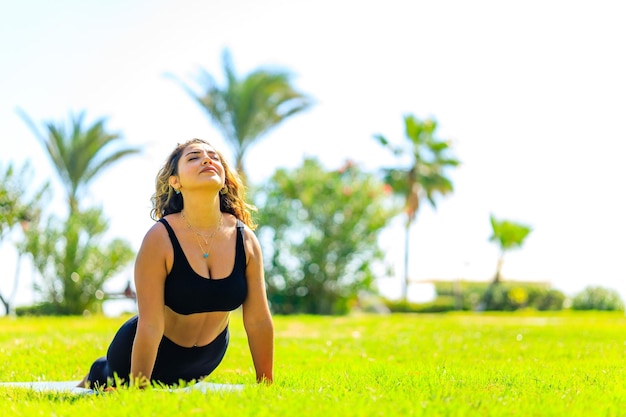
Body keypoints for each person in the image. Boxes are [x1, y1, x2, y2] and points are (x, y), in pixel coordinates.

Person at [79, 138, 274, 389]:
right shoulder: (160, 238)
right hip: (142, 356)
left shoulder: (245, 238)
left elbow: (258, 319)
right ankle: (97, 372)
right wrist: (139, 392)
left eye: (213, 157)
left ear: (224, 178)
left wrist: (267, 386)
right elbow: (150, 325)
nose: (207, 160)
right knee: (106, 376)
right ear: (175, 181)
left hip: (203, 362)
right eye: (193, 157)